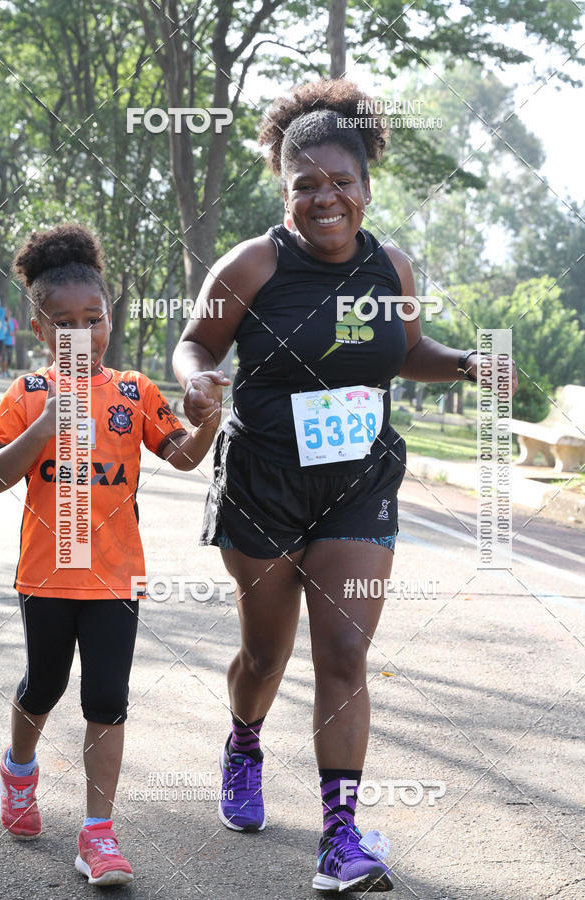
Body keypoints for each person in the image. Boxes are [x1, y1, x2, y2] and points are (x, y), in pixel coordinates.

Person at [173, 79, 517, 894]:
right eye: (306, 185)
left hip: (359, 480)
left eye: (341, 182)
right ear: (285, 190)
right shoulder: (252, 264)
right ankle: (244, 742)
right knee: (265, 653)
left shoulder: (390, 262)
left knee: (347, 650)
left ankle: (339, 839)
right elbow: (194, 343)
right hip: (263, 481)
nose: (325, 199)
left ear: (365, 185)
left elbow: (407, 351)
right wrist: (197, 382)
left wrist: (467, 362)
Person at [0, 224, 220, 887]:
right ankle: (20, 771)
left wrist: (207, 421)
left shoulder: (134, 392)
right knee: (44, 686)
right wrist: (44, 425)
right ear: (39, 329)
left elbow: (180, 456)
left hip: (116, 580)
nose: (82, 336)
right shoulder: (27, 394)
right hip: (46, 576)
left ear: (109, 322)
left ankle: (97, 833)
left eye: (94, 321)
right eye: (65, 324)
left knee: (106, 700)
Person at [1, 310, 19, 377]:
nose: (8, 314)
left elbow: (16, 329)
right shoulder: (2, 321)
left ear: (11, 313)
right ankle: (3, 373)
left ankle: (6, 369)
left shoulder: (13, 321)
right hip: (2, 342)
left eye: (9, 312)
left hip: (11, 342)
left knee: (10, 359)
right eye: (6, 313)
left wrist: (13, 333)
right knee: (3, 358)